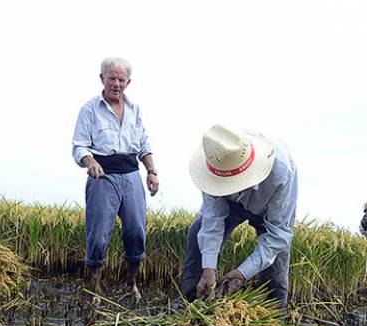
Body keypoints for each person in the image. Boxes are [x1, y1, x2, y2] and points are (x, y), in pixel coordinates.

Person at [180, 125, 297, 310]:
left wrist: (243, 273)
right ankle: (191, 305)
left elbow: (277, 235)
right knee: (196, 235)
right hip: (230, 204)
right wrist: (208, 267)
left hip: (268, 206)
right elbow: (212, 220)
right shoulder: (215, 160)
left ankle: (275, 323)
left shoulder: (281, 173)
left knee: (277, 270)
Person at [71, 57, 159, 301]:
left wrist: (151, 172)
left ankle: (131, 283)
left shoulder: (135, 109)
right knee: (98, 234)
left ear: (128, 83)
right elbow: (79, 146)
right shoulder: (89, 109)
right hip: (103, 177)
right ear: (102, 79)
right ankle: (94, 285)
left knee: (136, 232)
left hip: (131, 175)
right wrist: (91, 163)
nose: (116, 84)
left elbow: (144, 144)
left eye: (121, 79)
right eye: (112, 78)